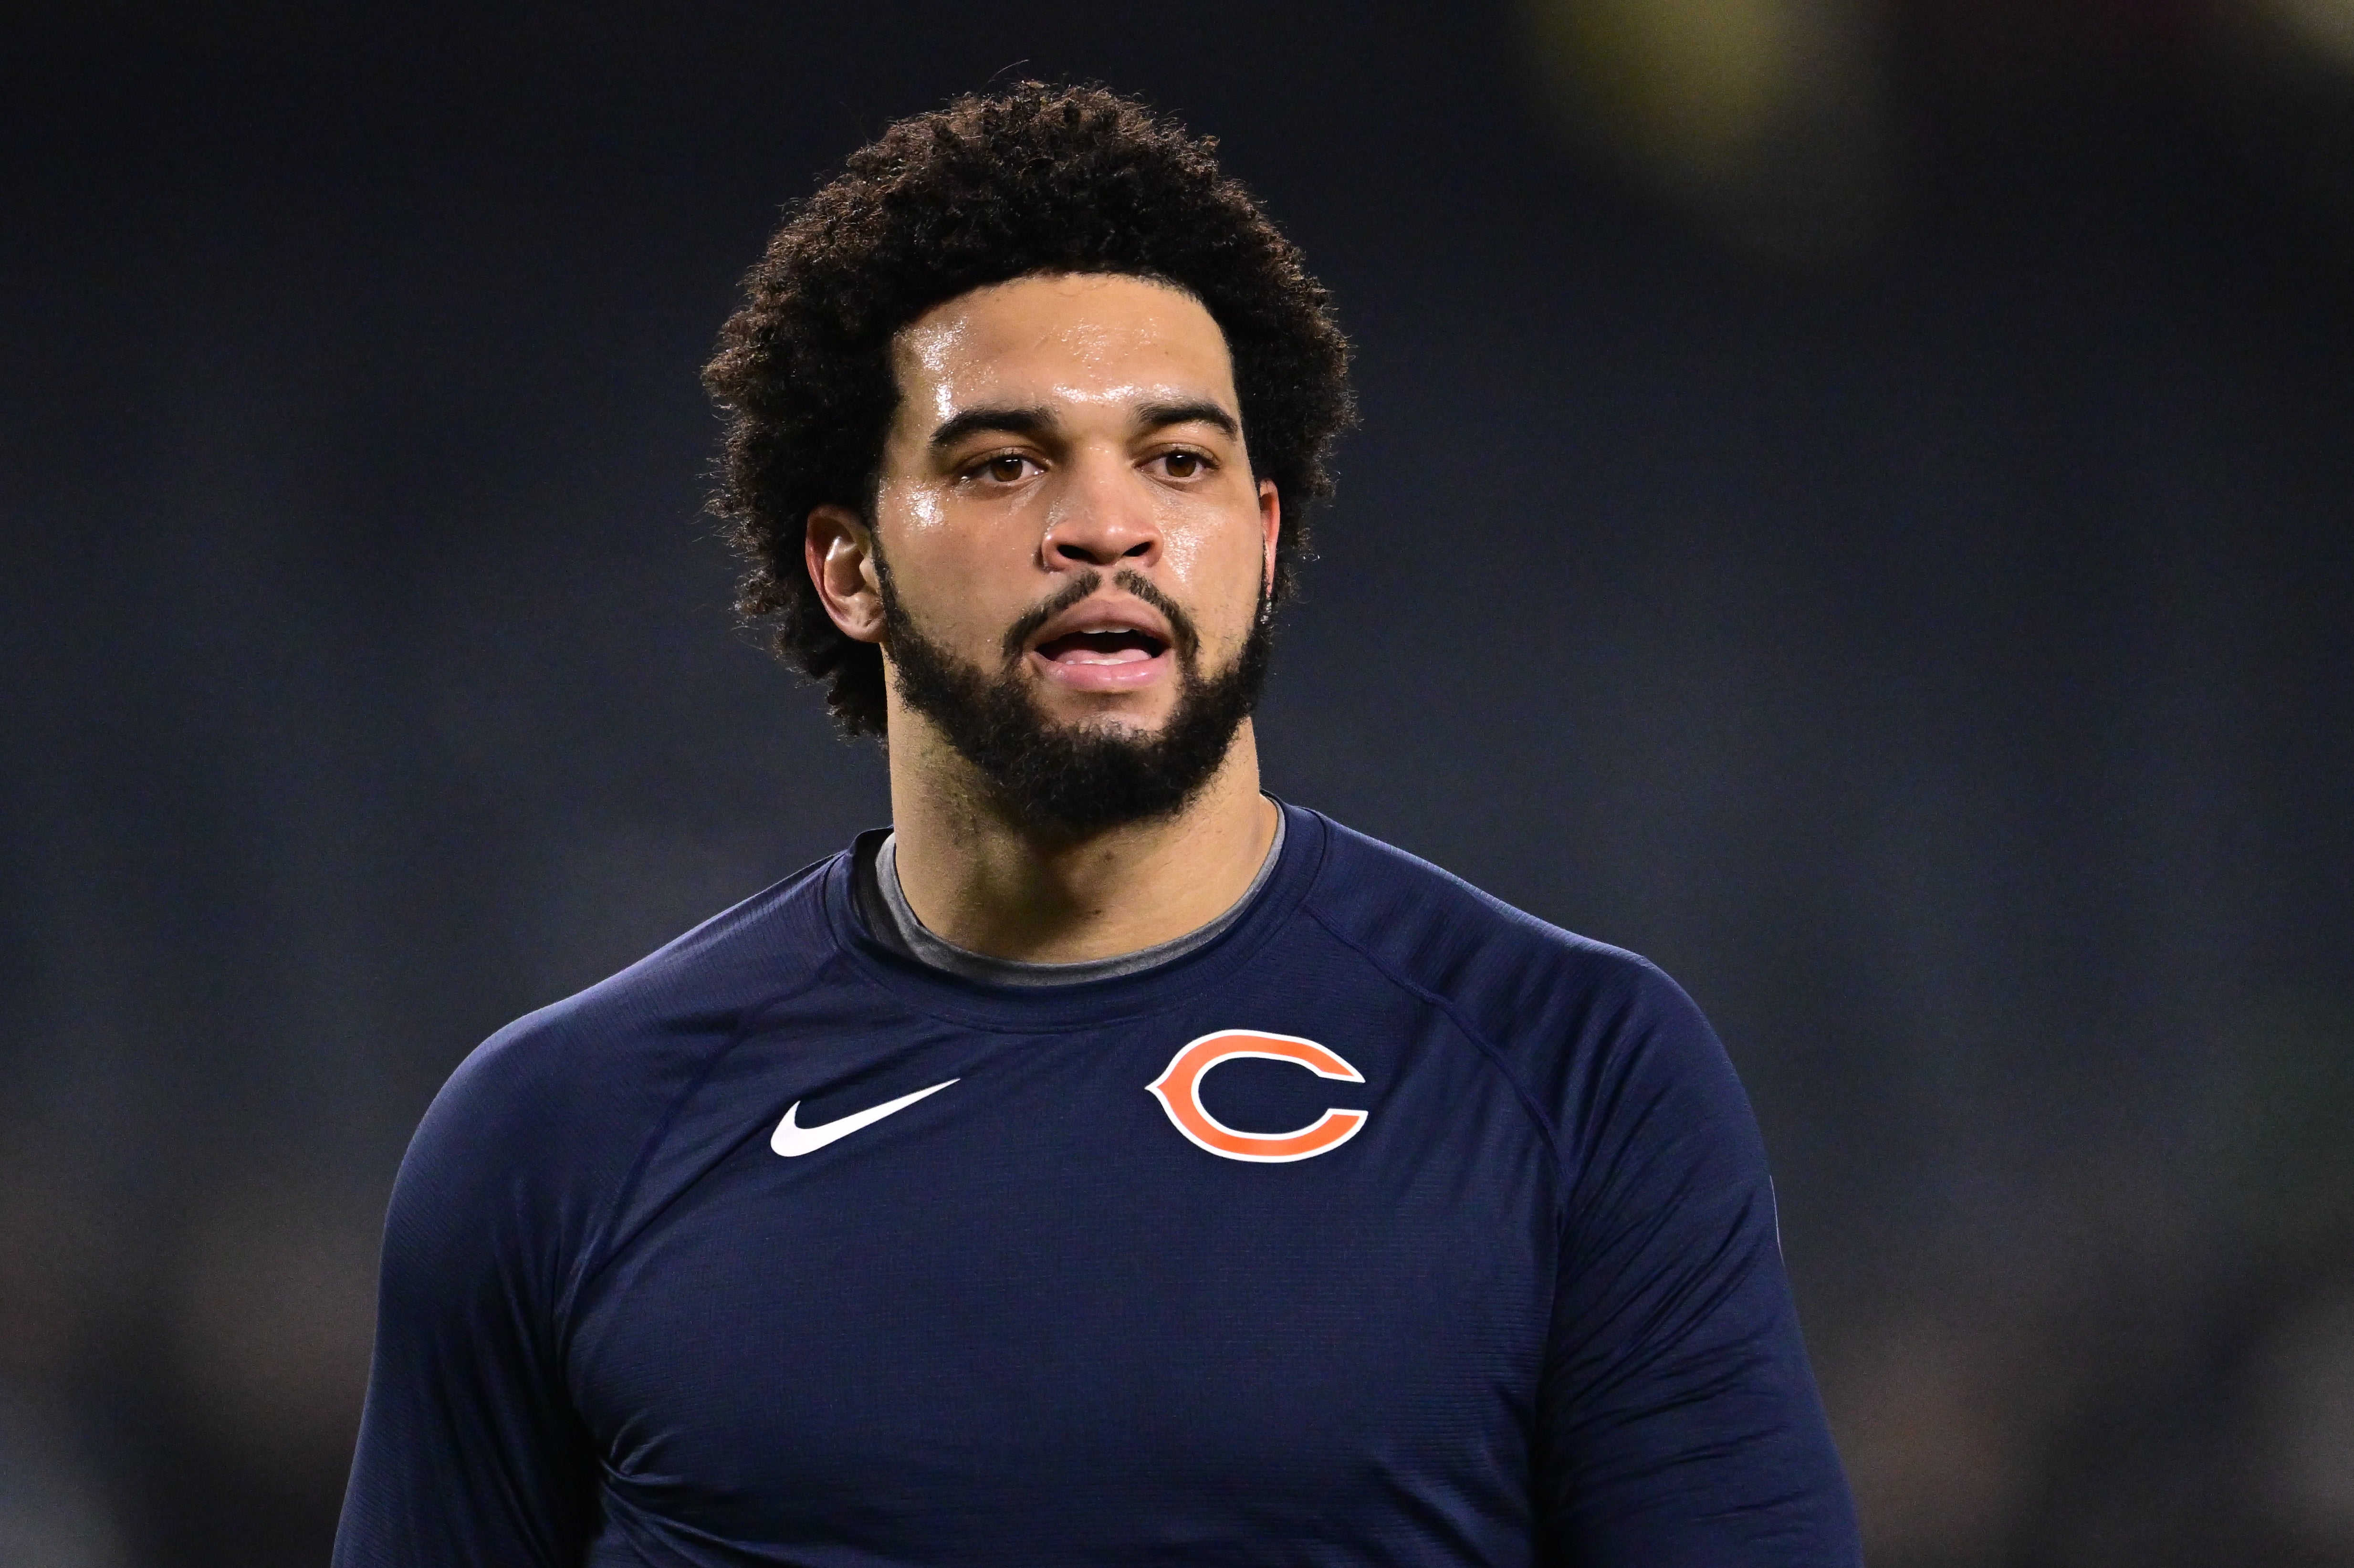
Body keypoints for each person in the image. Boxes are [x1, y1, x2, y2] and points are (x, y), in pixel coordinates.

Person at [333, 83, 1860, 1567]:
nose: (1107, 523)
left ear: (1262, 543)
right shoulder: (556, 1136)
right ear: (848, 565)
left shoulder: (1575, 1071)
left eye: (1179, 461)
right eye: (1003, 464)